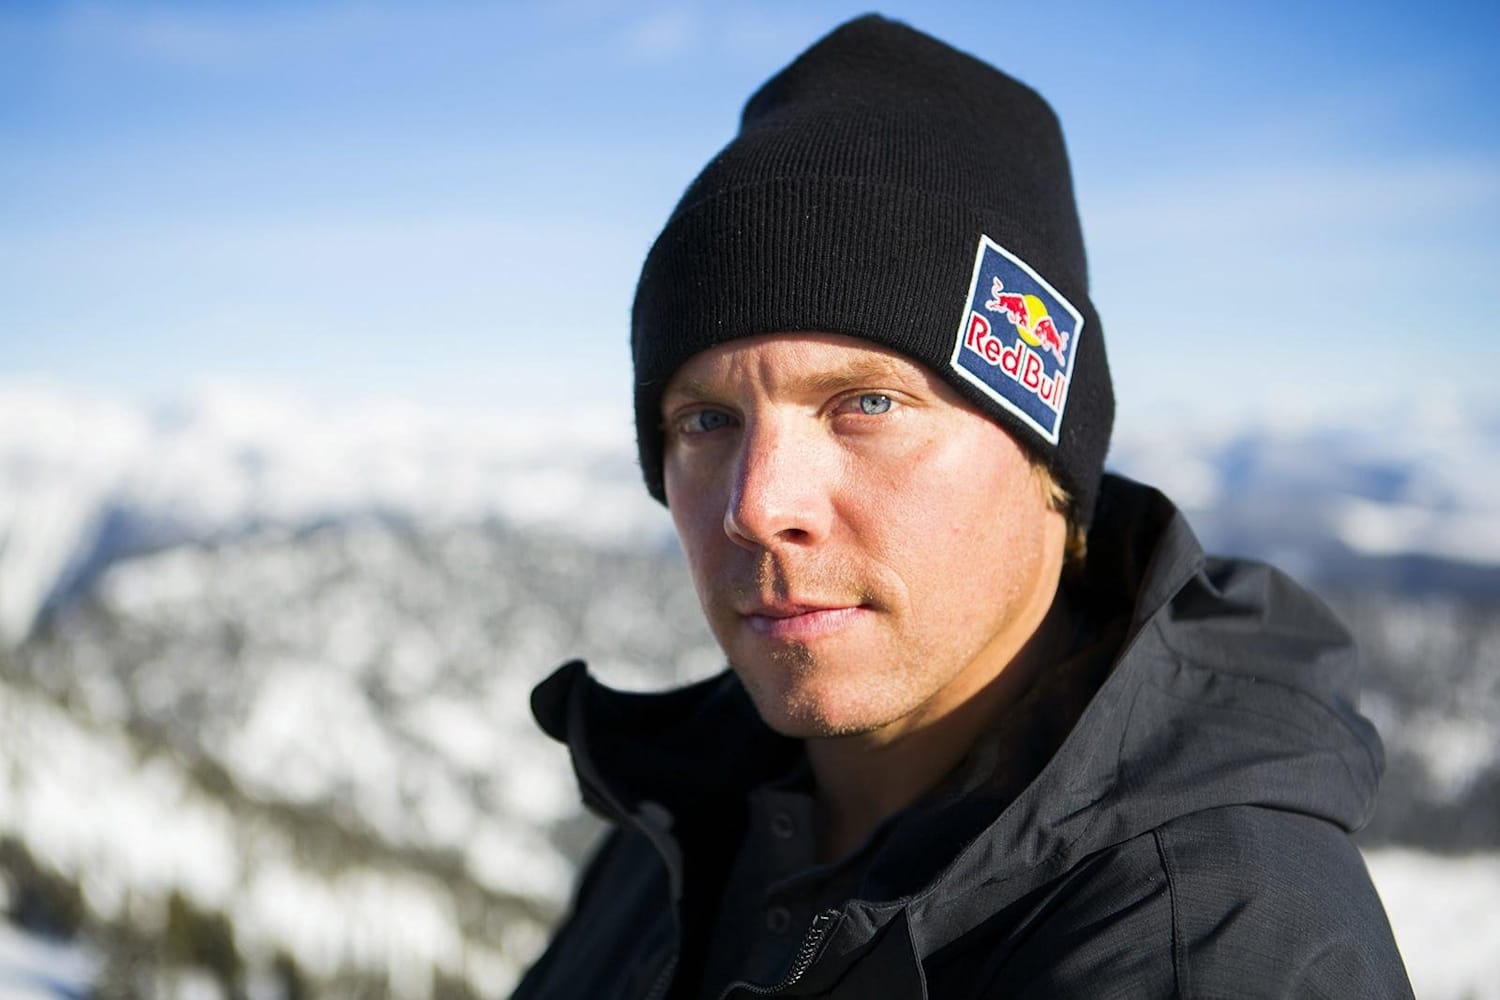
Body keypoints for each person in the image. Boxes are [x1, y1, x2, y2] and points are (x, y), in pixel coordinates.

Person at [514, 15, 1412, 999]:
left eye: (867, 404)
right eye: (706, 420)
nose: (758, 504)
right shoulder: (678, 829)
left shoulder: (1202, 946)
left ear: (1045, 453)